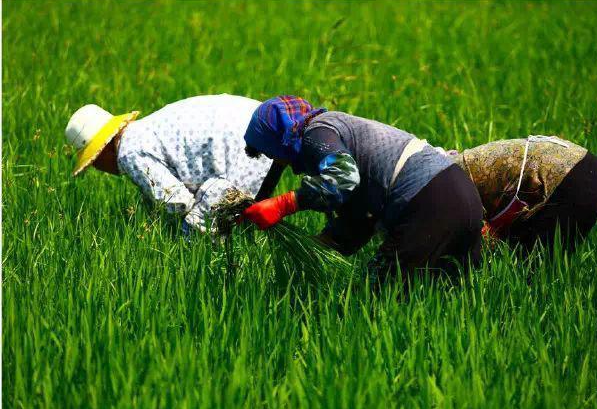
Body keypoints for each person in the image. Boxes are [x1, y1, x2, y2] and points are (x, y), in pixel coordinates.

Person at [241, 96, 483, 282]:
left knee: (378, 301)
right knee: (441, 297)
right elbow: (360, 216)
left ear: (277, 138)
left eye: (270, 153)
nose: (280, 163)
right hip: (460, 197)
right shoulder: (335, 131)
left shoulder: (317, 132)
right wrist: (314, 246)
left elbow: (344, 179)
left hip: (429, 202)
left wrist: (284, 204)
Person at [64, 94, 285, 235]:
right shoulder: (141, 132)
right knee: (247, 222)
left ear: (104, 150)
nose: (97, 168)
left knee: (194, 231)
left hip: (244, 146)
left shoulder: (128, 152)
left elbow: (176, 200)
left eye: (93, 161)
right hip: (262, 127)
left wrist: (173, 231)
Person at [450, 136, 597, 253]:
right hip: (590, 168)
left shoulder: (452, 180)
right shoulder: (461, 165)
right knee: (545, 264)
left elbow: (475, 239)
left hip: (571, 180)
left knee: (534, 269)